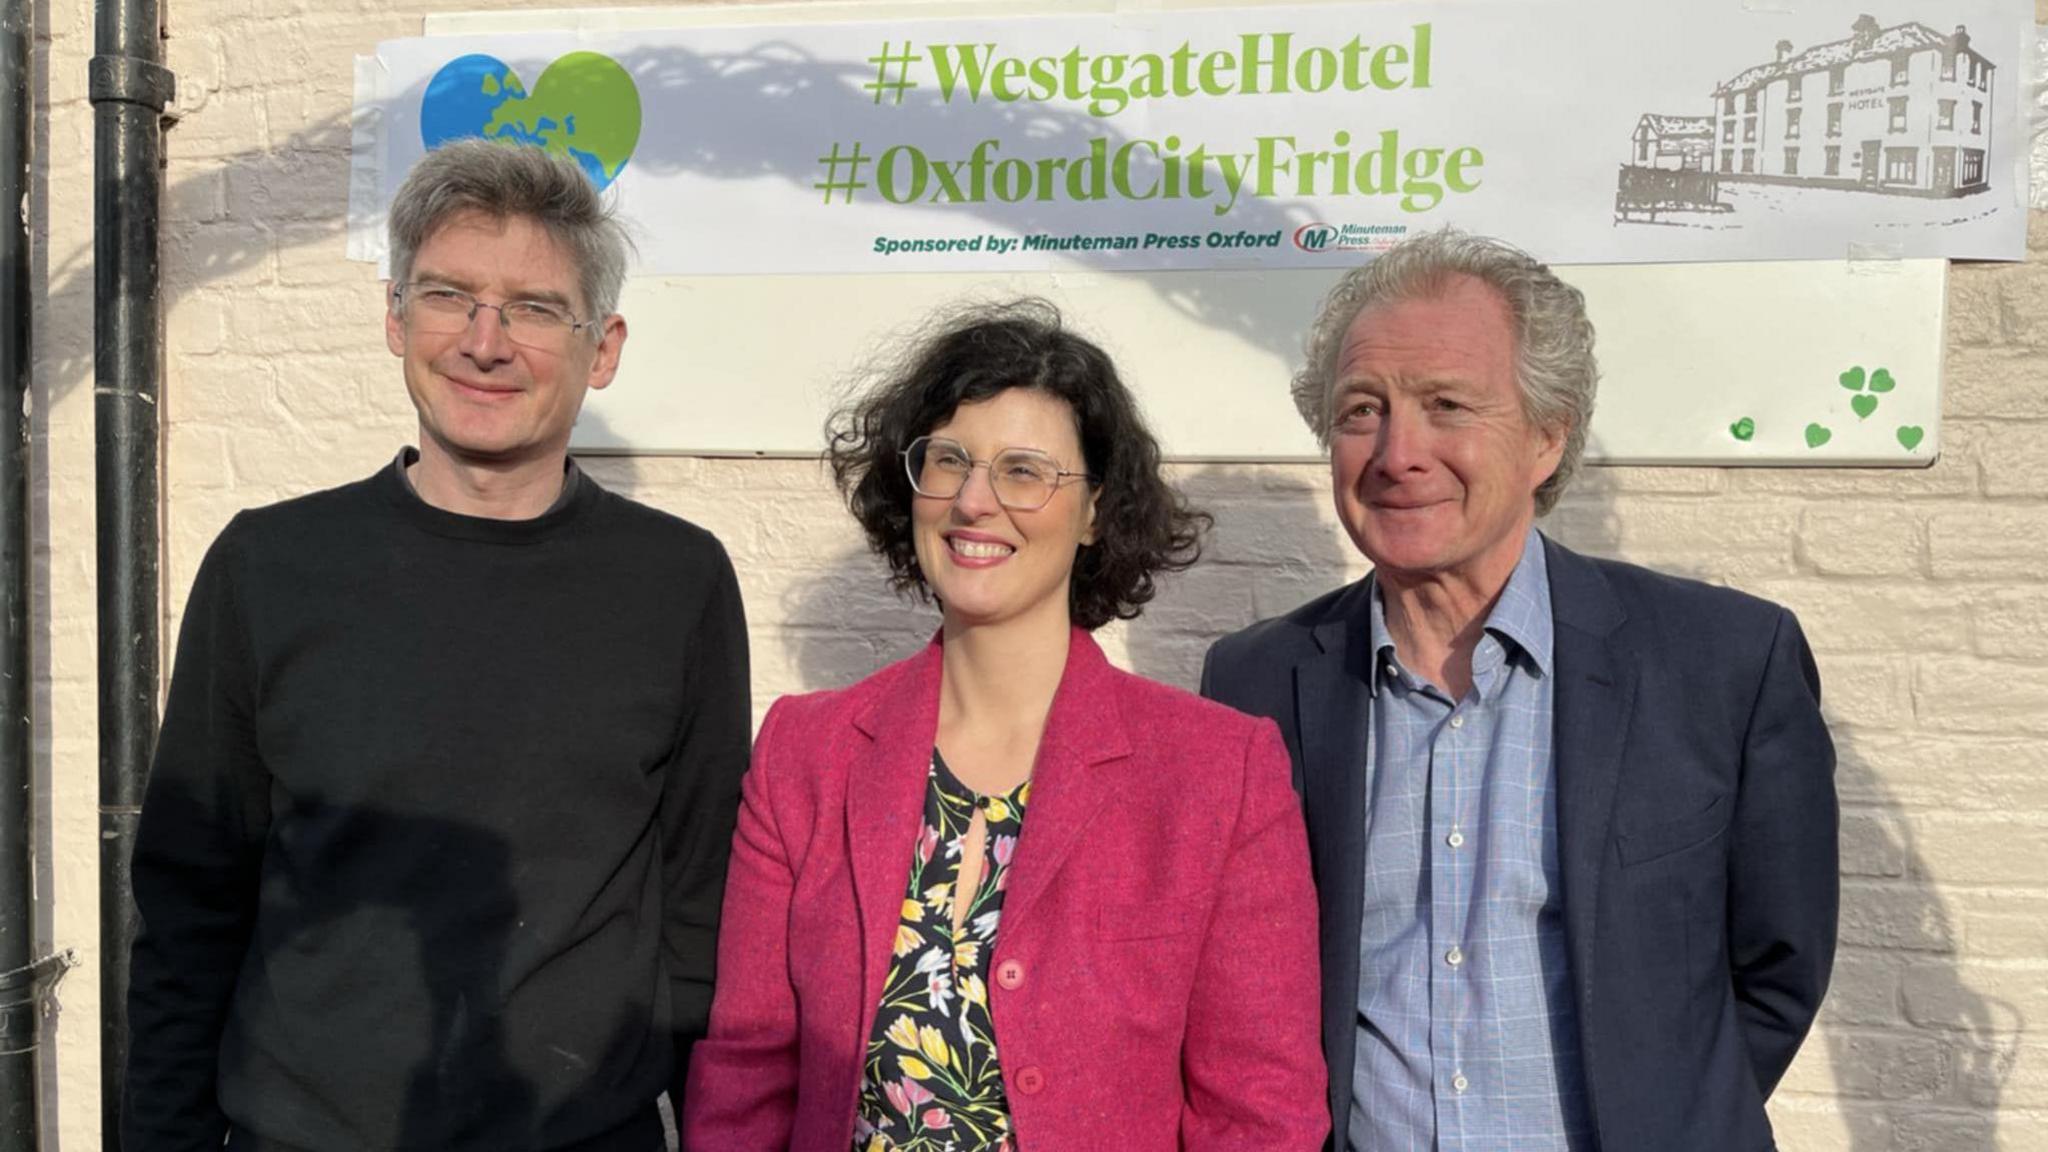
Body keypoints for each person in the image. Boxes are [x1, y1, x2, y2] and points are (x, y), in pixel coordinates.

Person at [124, 138, 751, 1151]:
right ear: (394, 318)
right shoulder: (269, 566)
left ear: (603, 346)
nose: (485, 341)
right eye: (448, 295)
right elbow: (188, 904)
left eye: (535, 307)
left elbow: (699, 906)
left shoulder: (677, 583)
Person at [1201, 230, 1837, 1152]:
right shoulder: (1257, 679)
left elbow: (1779, 968)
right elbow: (1250, 989)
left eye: (1448, 405)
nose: (1398, 452)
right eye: (1361, 410)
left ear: (1547, 437)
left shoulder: (1723, 662)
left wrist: (1673, 1115)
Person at [683, 300, 1327, 1151]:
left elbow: (1262, 1110)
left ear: (1096, 509)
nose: (974, 502)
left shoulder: (1217, 770)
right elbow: (747, 1074)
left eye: (1025, 471)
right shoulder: (807, 752)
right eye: (949, 461)